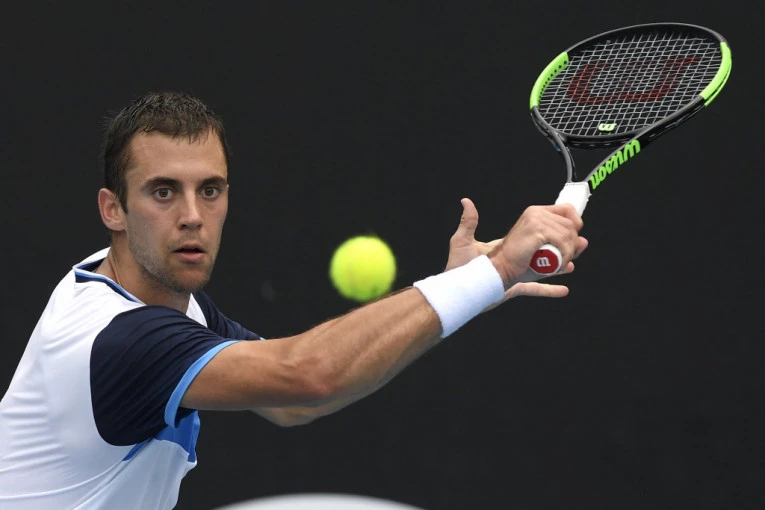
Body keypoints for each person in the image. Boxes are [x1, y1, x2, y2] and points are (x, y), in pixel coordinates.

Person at [0, 91, 587, 509]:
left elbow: (292, 406)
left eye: (210, 190)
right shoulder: (118, 339)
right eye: (163, 192)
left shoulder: (156, 300)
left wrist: (466, 289)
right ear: (113, 209)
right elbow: (309, 375)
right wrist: (493, 270)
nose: (192, 216)